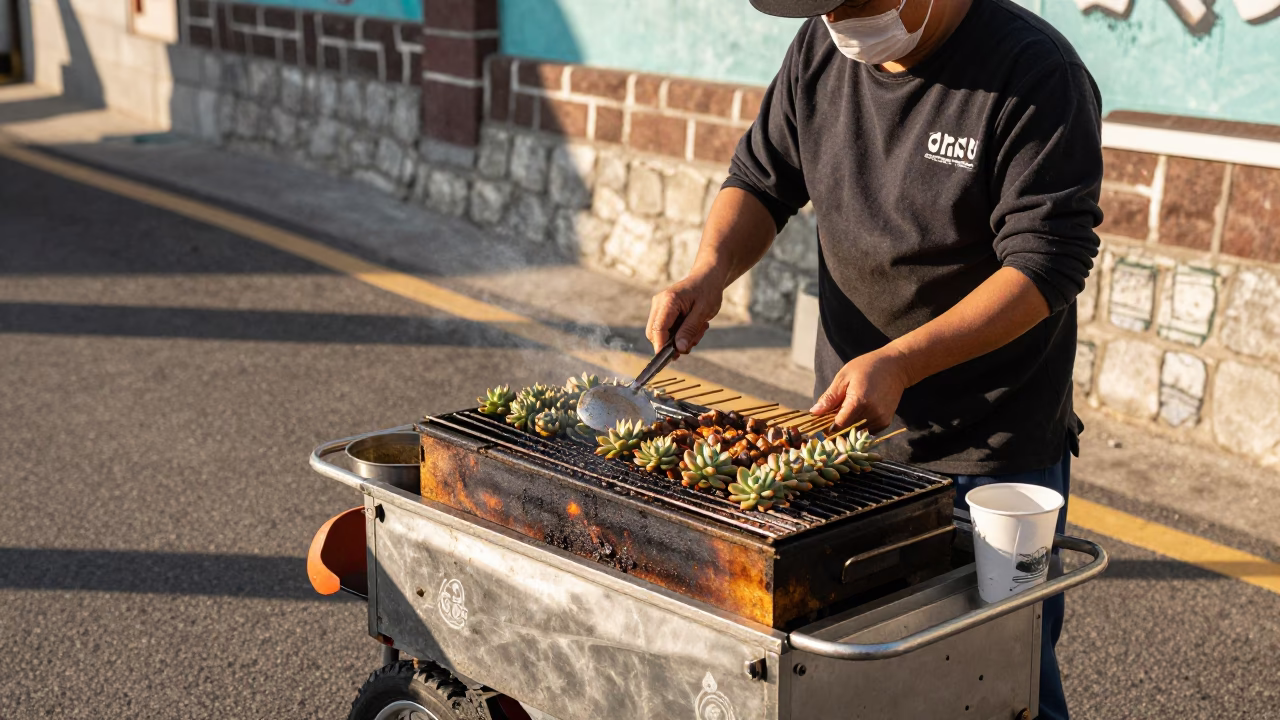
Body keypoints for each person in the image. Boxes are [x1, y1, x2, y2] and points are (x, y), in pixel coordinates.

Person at [644, 0, 1103, 717]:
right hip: (850, 442)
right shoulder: (820, 51)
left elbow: (1046, 266)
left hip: (990, 454)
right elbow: (763, 180)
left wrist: (903, 361)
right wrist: (709, 271)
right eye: (828, 7)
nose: (841, 22)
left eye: (856, 3)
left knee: (999, 683)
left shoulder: (1035, 72)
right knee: (860, 681)